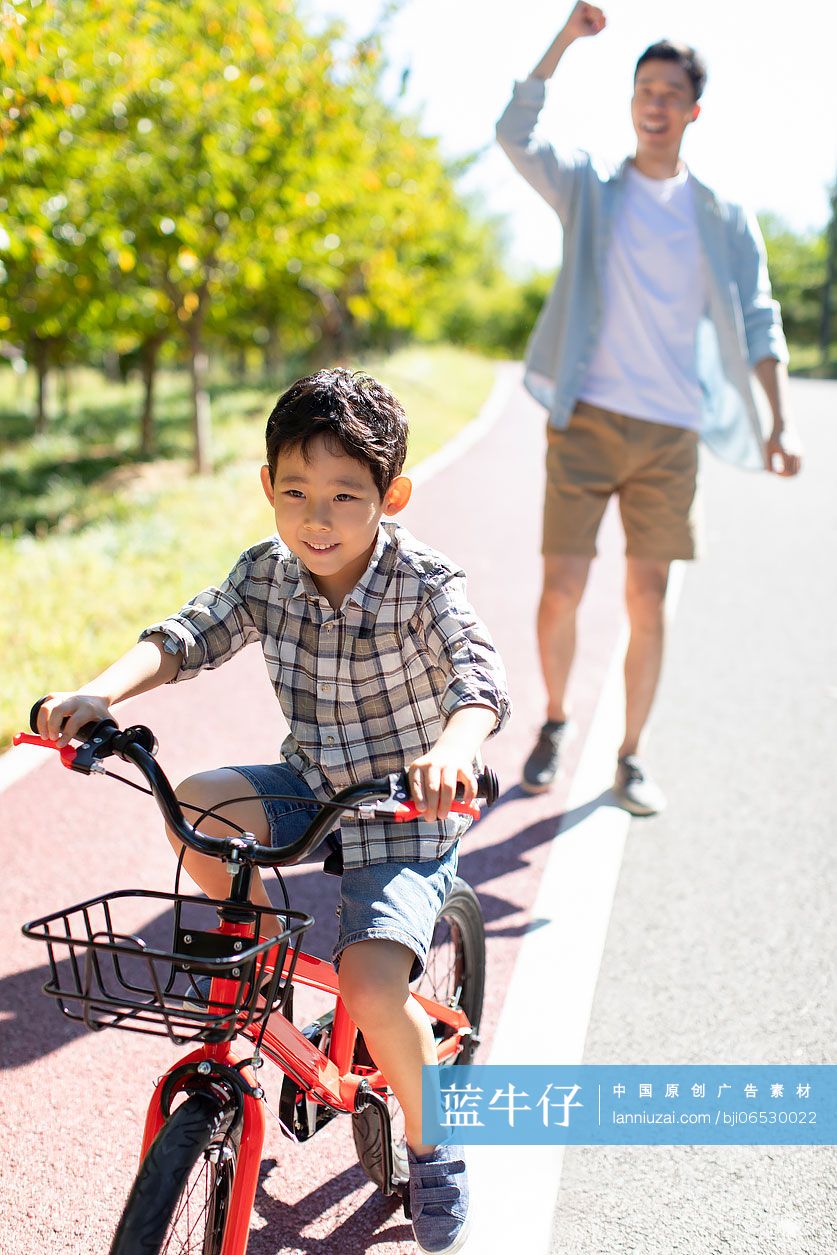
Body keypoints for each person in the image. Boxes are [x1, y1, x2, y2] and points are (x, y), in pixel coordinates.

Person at [37, 367, 509, 1255]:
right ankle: (253, 945)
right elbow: (189, 634)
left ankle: (433, 1140)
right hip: (310, 784)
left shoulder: (423, 581)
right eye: (294, 492)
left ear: (390, 496)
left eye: (342, 496)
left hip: (406, 808)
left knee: (372, 987)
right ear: (266, 488)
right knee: (200, 802)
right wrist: (98, 693)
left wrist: (455, 746)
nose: (315, 519)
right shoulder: (267, 571)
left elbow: (478, 679)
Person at [496, 3, 801, 815]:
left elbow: (758, 318)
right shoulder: (591, 190)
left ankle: (628, 755)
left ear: (693, 109)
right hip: (585, 418)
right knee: (560, 585)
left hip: (670, 433)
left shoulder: (722, 216)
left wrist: (778, 418)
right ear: (631, 101)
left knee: (645, 597)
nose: (655, 102)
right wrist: (563, 40)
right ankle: (555, 721)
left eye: (670, 91)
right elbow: (513, 134)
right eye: (644, 88)